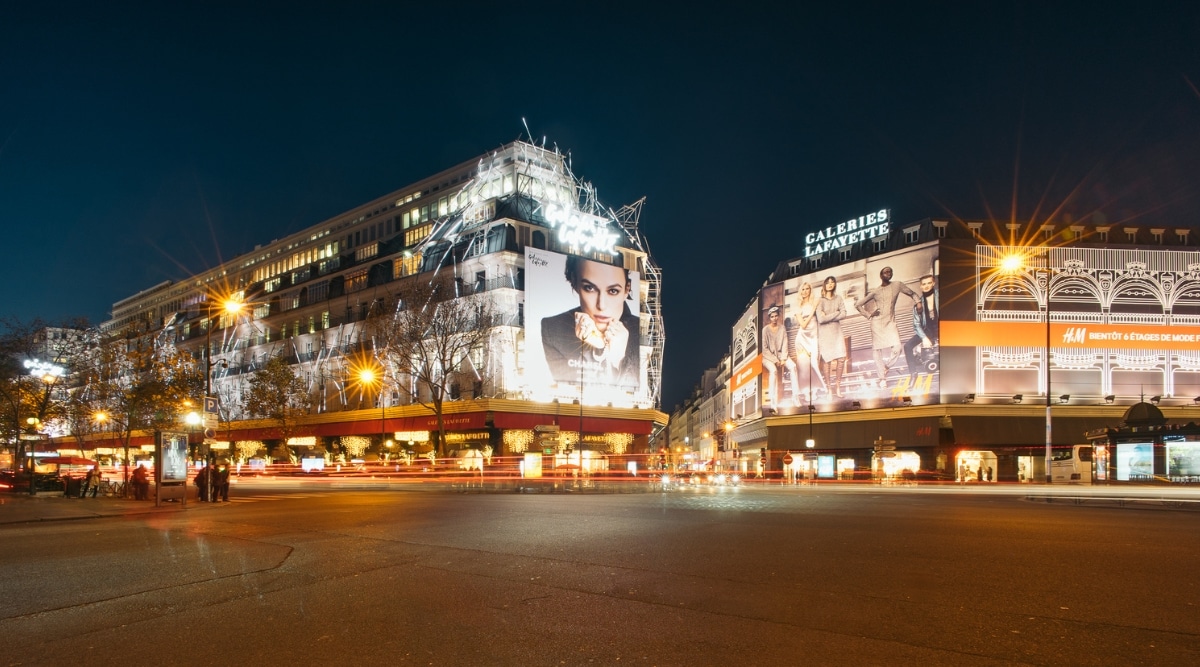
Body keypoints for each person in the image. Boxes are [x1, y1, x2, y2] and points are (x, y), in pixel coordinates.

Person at [541, 256, 640, 392]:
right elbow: (569, 394)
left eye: (613, 291)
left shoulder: (640, 332)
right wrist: (597, 346)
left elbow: (635, 396)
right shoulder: (553, 329)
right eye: (589, 288)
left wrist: (618, 358)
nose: (601, 305)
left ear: (626, 289)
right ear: (575, 283)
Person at [856, 266, 918, 390]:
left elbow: (912, 293)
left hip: (890, 322)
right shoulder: (875, 291)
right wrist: (869, 315)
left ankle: (886, 367)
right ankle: (882, 379)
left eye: (890, 271)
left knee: (897, 347)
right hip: (876, 323)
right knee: (877, 351)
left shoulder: (897, 285)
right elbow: (858, 305)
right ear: (881, 275)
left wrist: (918, 302)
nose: (888, 273)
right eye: (885, 272)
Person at [815, 276, 849, 398]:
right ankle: (829, 388)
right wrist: (836, 313)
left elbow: (844, 313)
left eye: (832, 282)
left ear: (835, 284)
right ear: (824, 285)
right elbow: (821, 319)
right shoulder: (820, 301)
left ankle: (838, 386)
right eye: (828, 282)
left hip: (837, 332)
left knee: (841, 359)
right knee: (827, 361)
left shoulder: (838, 298)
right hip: (824, 334)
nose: (830, 284)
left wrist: (829, 315)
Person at [792, 281, 826, 399]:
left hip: (814, 336)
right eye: (803, 289)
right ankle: (806, 392)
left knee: (814, 363)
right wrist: (813, 310)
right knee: (803, 365)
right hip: (802, 339)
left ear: (810, 290)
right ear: (800, 291)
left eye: (807, 289)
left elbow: (822, 316)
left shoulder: (815, 303)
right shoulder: (798, 306)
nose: (805, 291)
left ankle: (815, 390)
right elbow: (803, 325)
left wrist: (818, 309)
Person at [761, 305, 800, 408]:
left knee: (793, 367)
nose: (774, 318)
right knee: (773, 371)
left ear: (778, 316)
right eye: (772, 316)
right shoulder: (765, 330)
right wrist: (775, 360)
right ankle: (773, 400)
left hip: (781, 355)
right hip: (768, 357)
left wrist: (783, 358)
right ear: (769, 318)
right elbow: (764, 349)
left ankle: (795, 396)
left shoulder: (782, 328)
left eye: (776, 316)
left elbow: (785, 343)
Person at [903, 274, 940, 383]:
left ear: (933, 283)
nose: (926, 286)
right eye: (924, 284)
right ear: (920, 286)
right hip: (928, 330)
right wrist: (924, 337)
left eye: (929, 283)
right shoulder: (918, 304)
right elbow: (916, 324)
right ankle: (913, 374)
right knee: (907, 346)